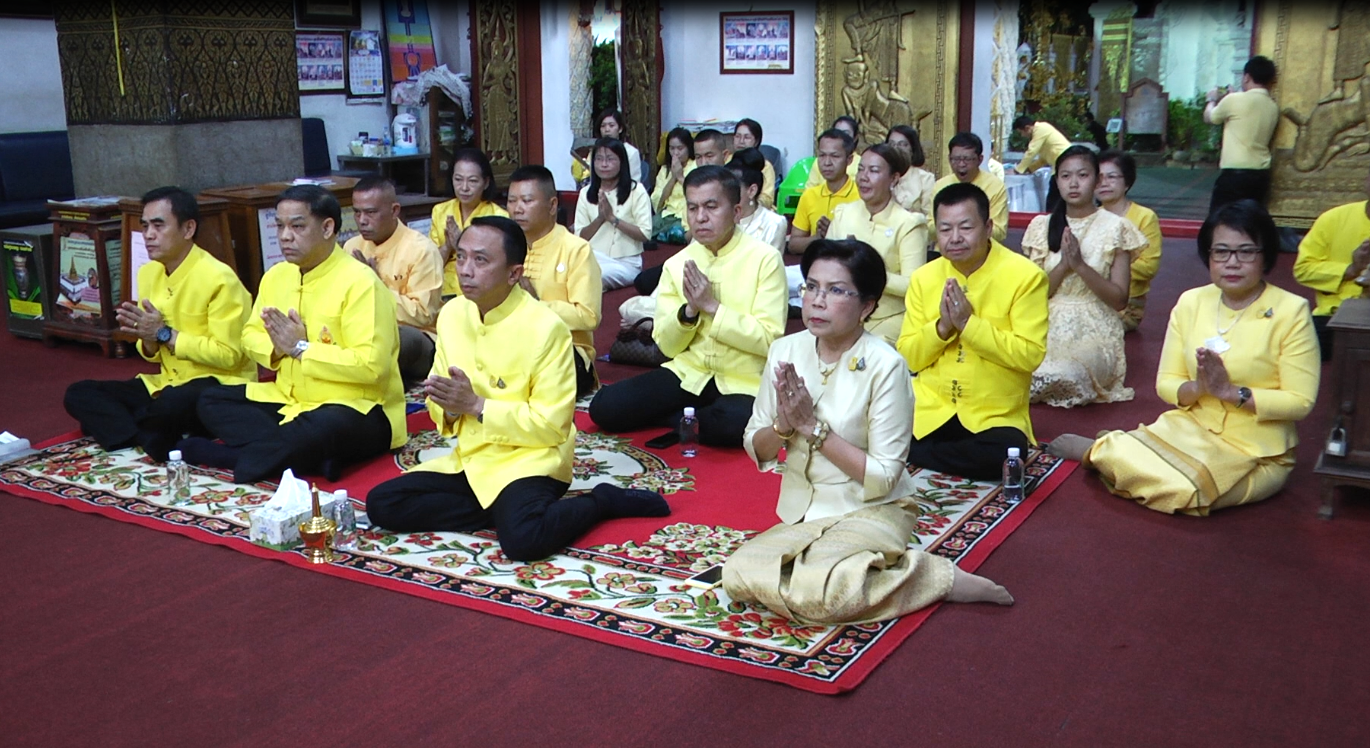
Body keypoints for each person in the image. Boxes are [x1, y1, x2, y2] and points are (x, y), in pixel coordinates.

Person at [723, 238, 1012, 624]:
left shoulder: (886, 365)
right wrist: (784, 425)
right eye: (811, 286)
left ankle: (933, 576)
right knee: (738, 574)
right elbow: (755, 445)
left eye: (836, 290)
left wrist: (812, 429)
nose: (817, 300)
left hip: (873, 506)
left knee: (823, 595)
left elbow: (884, 475)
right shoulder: (785, 351)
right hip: (804, 511)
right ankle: (847, 566)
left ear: (868, 306)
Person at [366, 216, 668, 561]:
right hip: (474, 459)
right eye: (461, 257)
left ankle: (599, 501)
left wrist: (479, 406)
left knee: (523, 541)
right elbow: (442, 400)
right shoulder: (452, 315)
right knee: (383, 504)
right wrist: (451, 406)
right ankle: (499, 510)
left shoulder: (546, 329)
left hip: (532, 461)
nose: (465, 270)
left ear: (514, 274)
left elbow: (553, 426)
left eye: (480, 260)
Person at [1049, 201, 1320, 516]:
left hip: (1257, 449)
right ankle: (1113, 450)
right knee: (1168, 473)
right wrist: (1200, 388)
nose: (1232, 262)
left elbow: (1300, 402)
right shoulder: (1192, 302)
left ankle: (1102, 452)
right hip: (1192, 427)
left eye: (1246, 252)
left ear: (1266, 256)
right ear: (1209, 256)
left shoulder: (1292, 311)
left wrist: (1230, 393)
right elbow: (1167, 384)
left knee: (1185, 492)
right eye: (1221, 251)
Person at [185, 185, 406, 484]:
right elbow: (249, 335)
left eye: (297, 226)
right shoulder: (277, 275)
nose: (285, 236)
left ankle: (234, 457)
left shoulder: (361, 283)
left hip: (354, 407)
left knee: (323, 428)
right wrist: (280, 348)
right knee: (210, 399)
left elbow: (371, 366)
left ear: (328, 227)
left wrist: (301, 347)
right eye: (279, 226)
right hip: (289, 399)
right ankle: (310, 456)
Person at [589, 166, 788, 446]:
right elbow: (667, 347)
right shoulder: (676, 263)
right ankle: (690, 419)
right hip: (688, 373)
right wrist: (689, 312)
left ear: (737, 211)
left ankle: (681, 419)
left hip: (742, 379)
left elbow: (769, 340)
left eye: (711, 206)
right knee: (605, 408)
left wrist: (712, 307)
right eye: (692, 208)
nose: (700, 217)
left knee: (732, 424)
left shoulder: (764, 260)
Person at [64, 186, 254, 462]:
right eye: (145, 226)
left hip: (217, 386)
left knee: (172, 405)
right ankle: (145, 435)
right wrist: (149, 338)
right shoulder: (149, 273)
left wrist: (164, 334)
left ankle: (133, 428)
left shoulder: (220, 279)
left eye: (158, 225)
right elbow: (151, 349)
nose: (148, 235)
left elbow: (230, 355)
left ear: (188, 229)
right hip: (165, 384)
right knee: (79, 394)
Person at [897, 183, 1048, 481]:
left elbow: (1030, 355)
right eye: (945, 229)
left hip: (993, 413)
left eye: (965, 227)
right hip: (931, 407)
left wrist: (969, 325)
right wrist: (942, 328)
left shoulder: (1026, 277)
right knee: (866, 421)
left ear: (988, 227)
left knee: (1003, 455)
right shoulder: (924, 278)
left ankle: (906, 452)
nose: (954, 238)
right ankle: (916, 448)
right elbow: (909, 358)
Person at [1022, 146, 1146, 408]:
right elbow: (1033, 296)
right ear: (1057, 182)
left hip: (1095, 327)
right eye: (1066, 176)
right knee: (1020, 369)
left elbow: (1119, 299)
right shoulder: (1041, 226)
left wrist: (1080, 266)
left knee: (1068, 373)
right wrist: (1064, 265)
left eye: (1082, 175)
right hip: (1046, 322)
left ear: (1097, 180)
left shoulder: (1116, 228)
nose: (1074, 183)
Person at [506, 165, 603, 398]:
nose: (517, 209)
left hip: (567, 350)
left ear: (552, 206)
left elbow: (589, 316)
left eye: (527, 201)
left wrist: (537, 305)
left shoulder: (576, 249)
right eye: (511, 201)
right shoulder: (503, 247)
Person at [343, 176, 444, 388]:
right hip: (361, 329)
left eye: (371, 212)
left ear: (394, 210)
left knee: (392, 337)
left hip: (417, 338)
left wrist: (376, 287)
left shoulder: (421, 250)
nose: (362, 220)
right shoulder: (352, 246)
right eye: (357, 212)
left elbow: (424, 314)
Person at [828, 144, 928, 345]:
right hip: (841, 313)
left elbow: (914, 285)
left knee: (865, 357)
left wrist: (866, 271)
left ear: (894, 178)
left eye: (873, 171)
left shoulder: (908, 223)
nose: (864, 177)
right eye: (861, 169)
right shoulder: (843, 214)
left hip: (887, 319)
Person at [1293, 168, 1370, 360]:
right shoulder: (1333, 219)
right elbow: (1303, 269)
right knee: (1298, 348)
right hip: (1334, 315)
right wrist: (1350, 270)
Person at [1096, 150, 1163, 332]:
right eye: (1098, 177)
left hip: (1127, 305)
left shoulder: (1145, 217)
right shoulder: (1090, 217)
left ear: (1127, 182)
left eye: (1111, 177)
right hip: (1091, 299)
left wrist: (1102, 265)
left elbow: (1149, 267)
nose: (1104, 183)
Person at [574, 137, 652, 290]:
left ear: (622, 162)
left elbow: (645, 234)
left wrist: (612, 219)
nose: (604, 164)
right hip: (593, 257)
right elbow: (579, 237)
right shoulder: (585, 193)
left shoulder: (636, 191)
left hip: (626, 262)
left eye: (610, 159)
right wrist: (600, 219)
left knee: (591, 276)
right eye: (599, 159)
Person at [1205, 56, 1280, 213]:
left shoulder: (1234, 100)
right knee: (1249, 222)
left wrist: (1211, 100)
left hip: (1235, 175)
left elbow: (1210, 117)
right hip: (1261, 175)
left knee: (1220, 220)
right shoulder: (1273, 106)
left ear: (1247, 77)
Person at [429, 148, 508, 296]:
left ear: (486, 183)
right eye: (458, 179)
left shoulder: (499, 217)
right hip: (443, 292)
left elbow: (498, 266)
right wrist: (447, 246)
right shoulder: (440, 211)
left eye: (472, 181)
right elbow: (429, 266)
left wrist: (460, 244)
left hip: (481, 292)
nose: (464, 188)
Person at [790, 128, 861, 256]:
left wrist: (833, 234)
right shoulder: (810, 195)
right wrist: (818, 238)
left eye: (835, 156)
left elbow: (865, 245)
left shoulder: (861, 196)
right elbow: (794, 245)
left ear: (849, 160)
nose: (827, 163)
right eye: (822, 156)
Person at [932, 132, 1009, 244]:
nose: (961, 164)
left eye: (967, 159)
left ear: (980, 159)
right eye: (956, 159)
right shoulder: (940, 185)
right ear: (949, 159)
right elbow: (930, 226)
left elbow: (1000, 232)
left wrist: (969, 230)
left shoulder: (995, 186)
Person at [728, 149, 788, 252]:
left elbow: (769, 264)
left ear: (752, 191)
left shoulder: (774, 223)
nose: (725, 195)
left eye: (732, 189)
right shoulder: (720, 217)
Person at [1009, 115, 1073, 211]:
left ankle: (1052, 219)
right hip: (1062, 165)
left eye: (1021, 132)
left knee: (1054, 198)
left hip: (1066, 164)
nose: (1022, 135)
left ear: (1027, 128)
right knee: (1056, 198)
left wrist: (1018, 170)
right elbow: (1043, 159)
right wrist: (1029, 169)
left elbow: (1031, 151)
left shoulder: (1041, 129)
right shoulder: (1041, 133)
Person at [650, 127, 696, 243]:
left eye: (680, 148)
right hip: (667, 213)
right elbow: (658, 200)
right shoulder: (665, 169)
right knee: (646, 229)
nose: (675, 153)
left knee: (677, 233)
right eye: (672, 149)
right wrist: (674, 176)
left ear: (688, 148)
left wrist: (680, 177)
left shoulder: (695, 165)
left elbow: (698, 194)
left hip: (685, 215)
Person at [886, 124, 935, 218]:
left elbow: (929, 218)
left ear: (912, 149)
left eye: (902, 144)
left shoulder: (925, 179)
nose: (896, 148)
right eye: (891, 144)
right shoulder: (880, 176)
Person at [805, 116, 862, 189]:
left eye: (845, 133)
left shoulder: (861, 164)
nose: (827, 163)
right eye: (837, 133)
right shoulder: (818, 162)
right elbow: (809, 190)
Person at [733, 118, 777, 209]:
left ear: (756, 141)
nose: (741, 141)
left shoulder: (765, 166)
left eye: (747, 137)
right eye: (737, 136)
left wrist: (748, 205)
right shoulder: (727, 161)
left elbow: (767, 198)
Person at [595, 108, 643, 183]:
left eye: (611, 125)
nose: (607, 129)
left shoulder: (631, 152)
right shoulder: (596, 152)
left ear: (620, 129)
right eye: (603, 126)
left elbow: (634, 182)